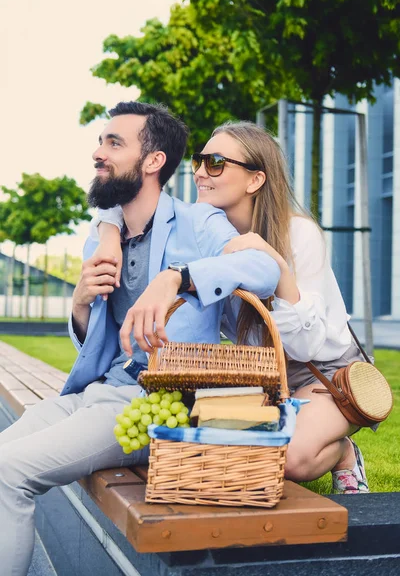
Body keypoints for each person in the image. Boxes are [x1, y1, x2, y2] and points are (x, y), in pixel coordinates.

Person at [0, 104, 281, 576]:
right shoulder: (102, 237)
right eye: (100, 142)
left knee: (11, 473)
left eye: (114, 143)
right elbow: (98, 346)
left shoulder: (200, 223)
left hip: (149, 407)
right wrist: (81, 306)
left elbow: (265, 268)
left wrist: (178, 277)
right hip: (93, 394)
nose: (98, 153)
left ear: (153, 161)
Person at [95, 120, 370, 496]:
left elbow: (305, 349)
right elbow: (129, 203)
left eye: (217, 162)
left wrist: (278, 266)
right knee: (212, 444)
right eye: (199, 160)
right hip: (261, 376)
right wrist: (109, 235)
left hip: (321, 377)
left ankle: (344, 454)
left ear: (255, 180)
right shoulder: (205, 234)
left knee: (292, 458)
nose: (200, 172)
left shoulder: (298, 235)